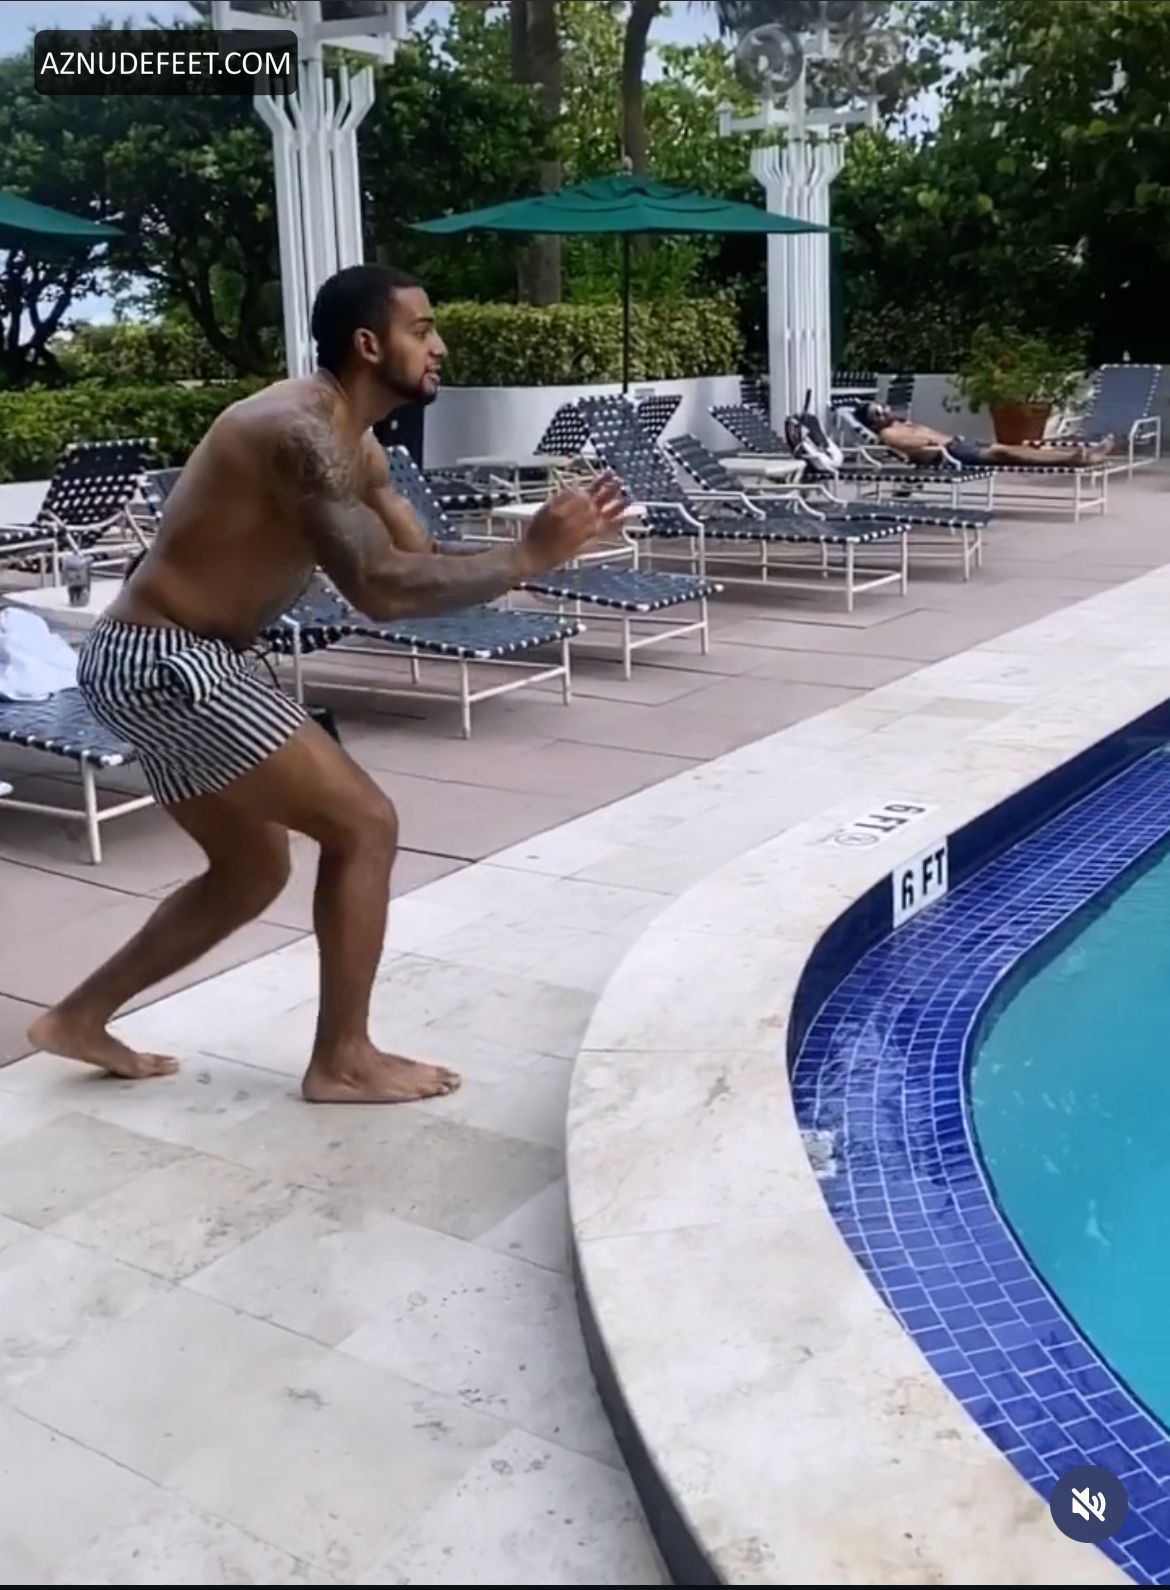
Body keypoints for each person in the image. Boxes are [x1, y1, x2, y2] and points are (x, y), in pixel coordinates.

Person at [27, 263, 628, 1104]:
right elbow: (378, 588)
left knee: (249, 873)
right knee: (364, 825)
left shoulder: (360, 448)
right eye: (423, 329)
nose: (440, 347)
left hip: (164, 659)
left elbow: (418, 564)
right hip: (167, 658)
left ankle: (78, 1018)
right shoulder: (296, 432)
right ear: (369, 343)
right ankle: (342, 1060)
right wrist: (529, 556)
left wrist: (534, 546)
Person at [856, 402, 1114, 469]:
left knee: (1014, 448)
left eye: (882, 407)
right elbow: (918, 445)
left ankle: (1080, 455)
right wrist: (931, 440)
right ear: (873, 422)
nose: (885, 411)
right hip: (952, 454)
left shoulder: (900, 424)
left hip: (958, 445)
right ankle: (1073, 458)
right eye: (878, 412)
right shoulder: (889, 433)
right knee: (1006, 451)